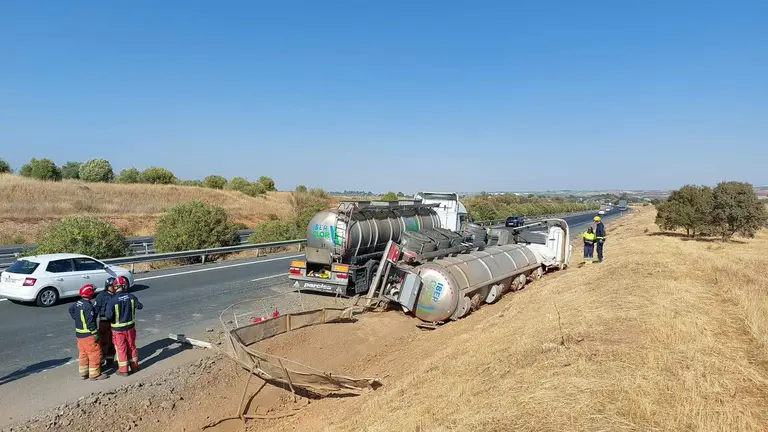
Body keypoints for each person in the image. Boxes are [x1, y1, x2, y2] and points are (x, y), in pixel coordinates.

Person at [68, 284, 108, 380]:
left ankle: (84, 372)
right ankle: (95, 374)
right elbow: (90, 322)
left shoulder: (78, 303)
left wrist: (76, 318)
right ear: (90, 294)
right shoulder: (88, 306)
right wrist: (95, 333)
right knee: (94, 353)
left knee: (83, 353)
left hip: (79, 335)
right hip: (88, 335)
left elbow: (71, 309)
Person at [105, 276, 143, 376]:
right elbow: (140, 306)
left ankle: (123, 370)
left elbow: (108, 316)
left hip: (118, 330)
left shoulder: (112, 301)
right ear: (124, 286)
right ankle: (135, 367)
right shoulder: (131, 297)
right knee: (131, 347)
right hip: (130, 328)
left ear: (115, 287)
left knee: (121, 349)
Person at [93, 277, 117, 368]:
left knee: (113, 343)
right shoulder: (101, 296)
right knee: (103, 343)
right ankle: (100, 363)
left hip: (114, 323)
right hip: (104, 323)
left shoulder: (117, 295)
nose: (115, 287)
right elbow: (95, 311)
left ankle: (110, 360)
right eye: (113, 286)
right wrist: (93, 327)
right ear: (108, 286)